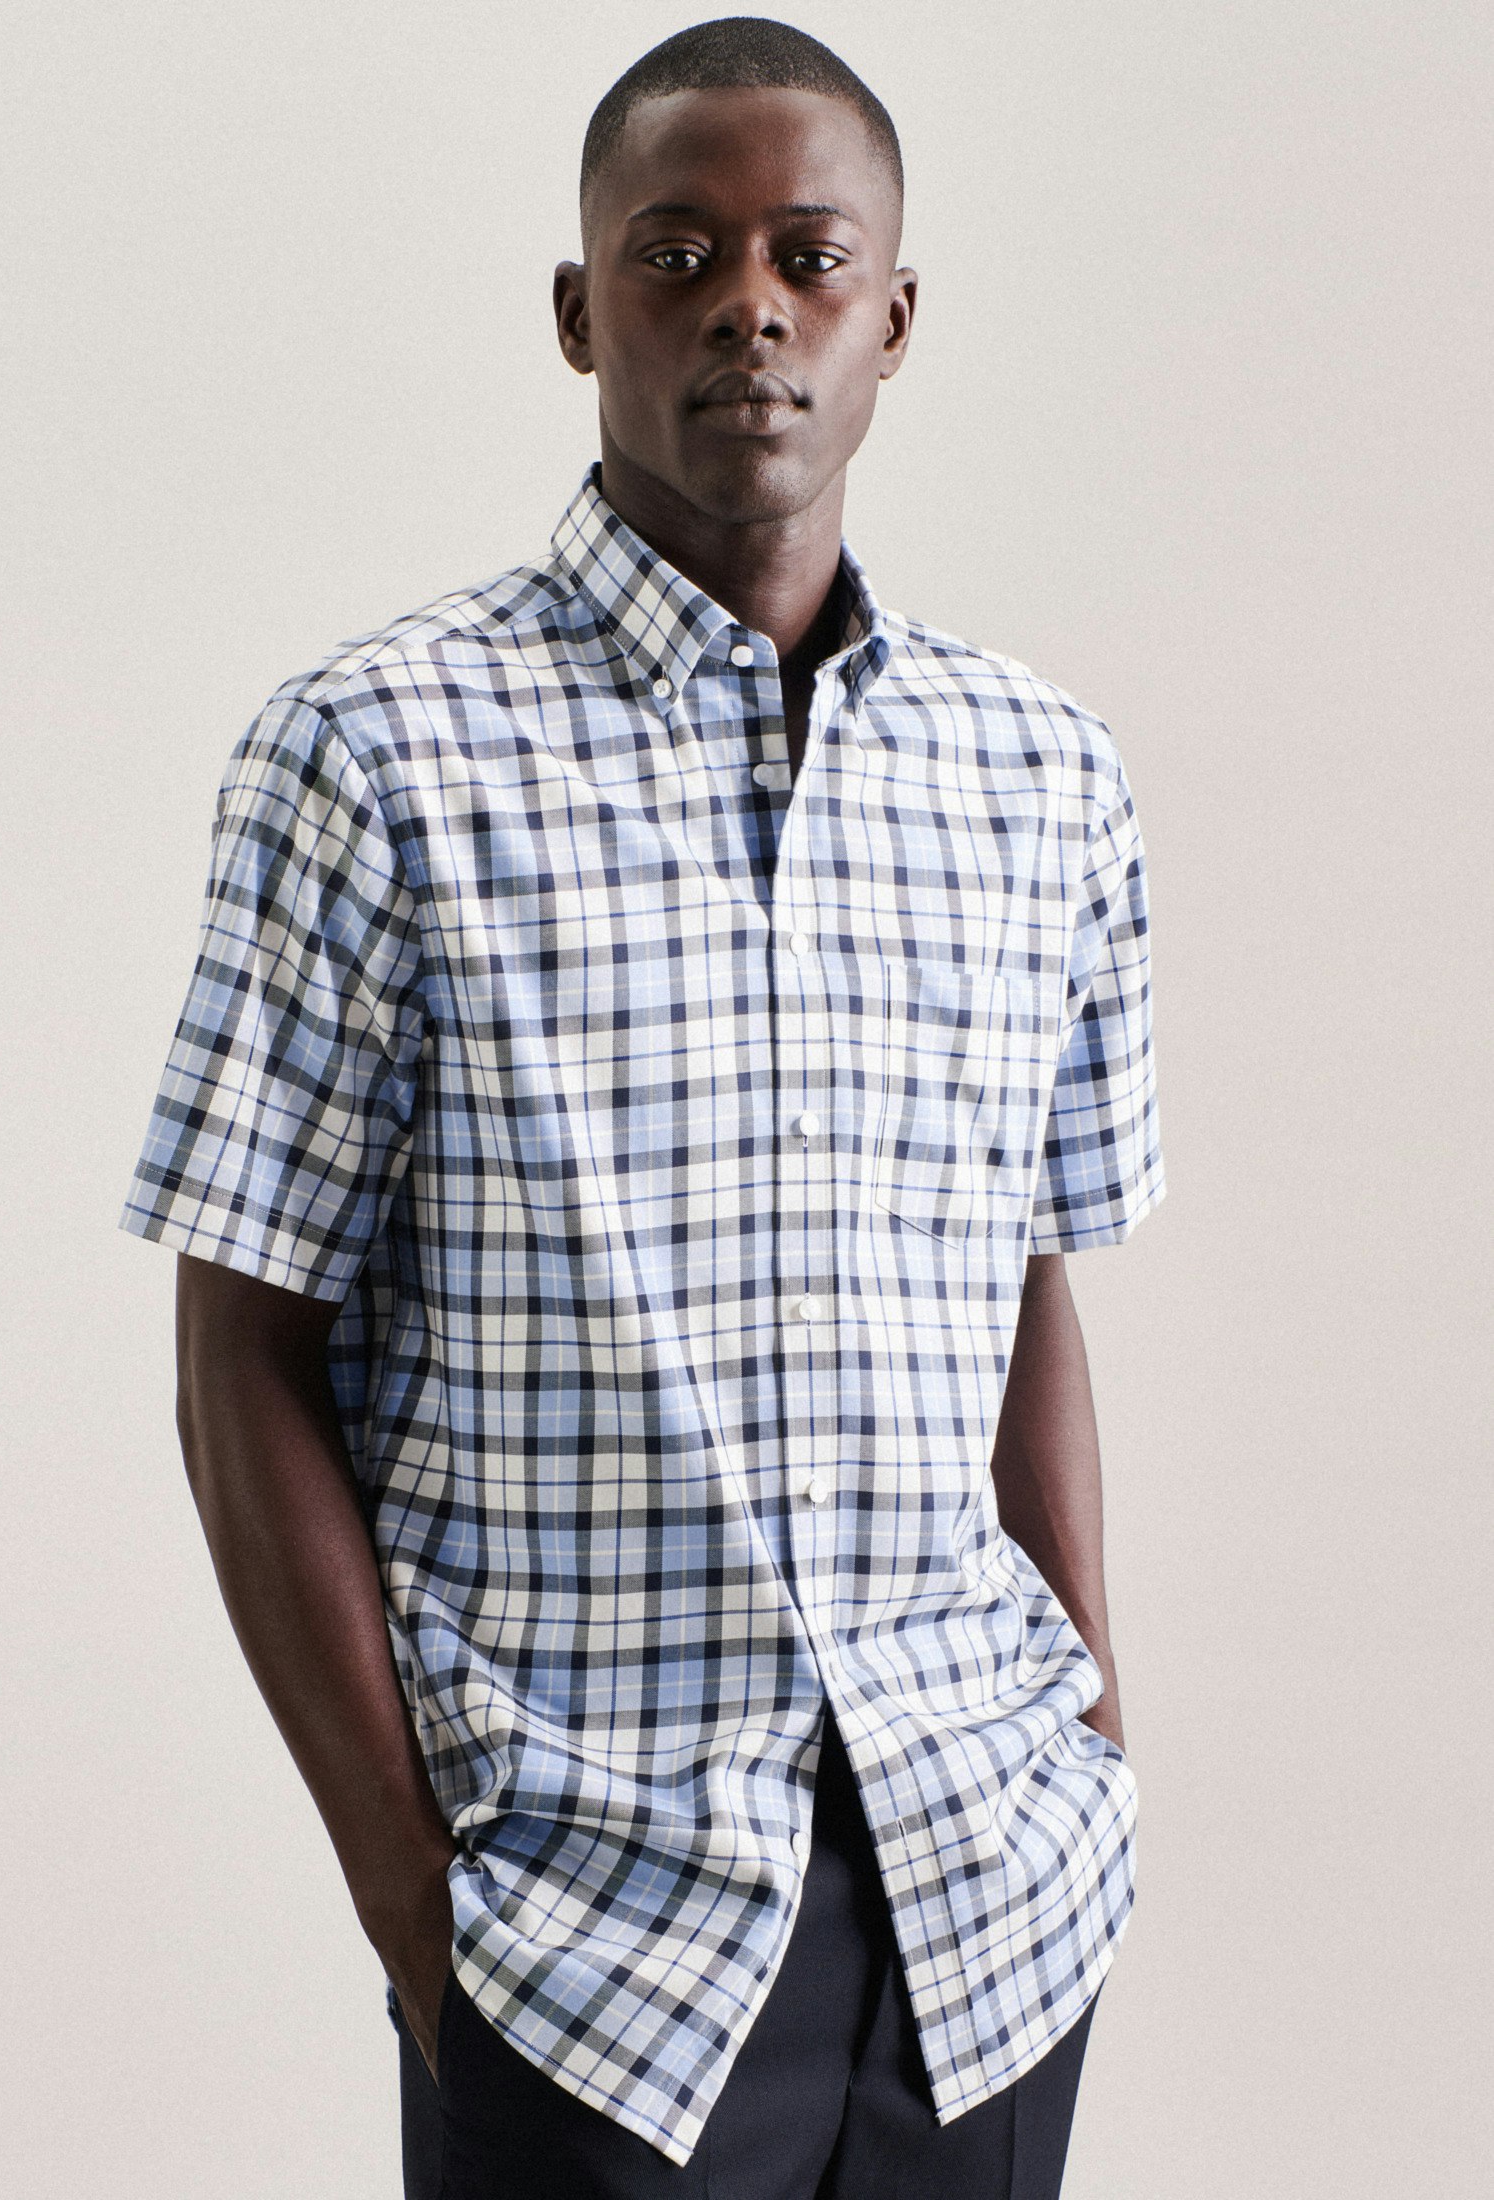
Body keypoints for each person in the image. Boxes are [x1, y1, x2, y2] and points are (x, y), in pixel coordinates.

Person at [119, 18, 1166, 2198]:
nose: (748, 308)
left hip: (987, 1905)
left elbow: (1028, 1275)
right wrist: (416, 1908)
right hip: (586, 1938)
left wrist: (1092, 1717)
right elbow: (242, 1352)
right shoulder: (371, 758)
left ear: (895, 318)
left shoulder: (1043, 778)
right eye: (678, 255)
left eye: (808, 257)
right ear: (580, 310)